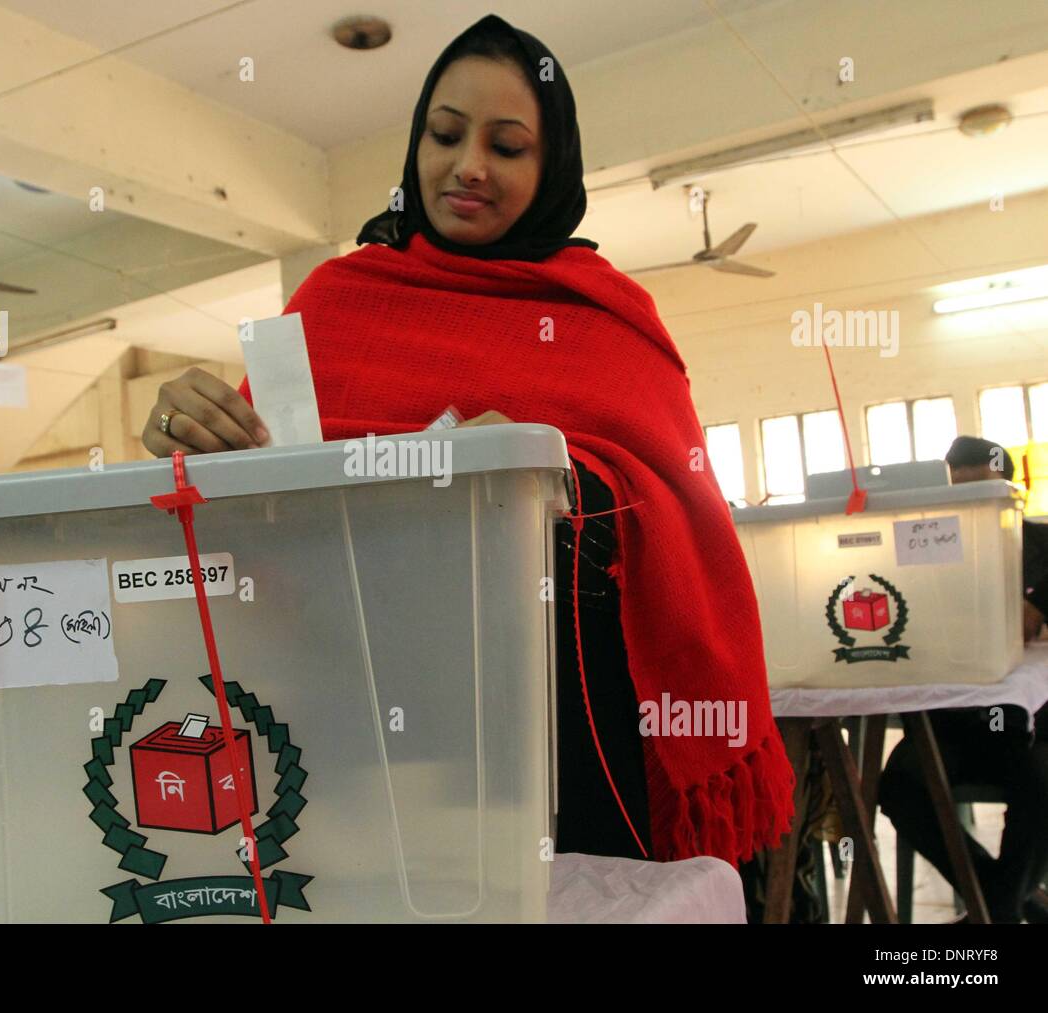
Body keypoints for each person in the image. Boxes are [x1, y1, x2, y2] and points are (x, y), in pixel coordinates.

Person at [142, 14, 794, 868]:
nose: (468, 166)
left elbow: (675, 507)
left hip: (568, 748)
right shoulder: (337, 301)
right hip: (351, 731)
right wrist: (189, 435)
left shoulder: (605, 316)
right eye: (444, 135)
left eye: (509, 146)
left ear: (553, 163)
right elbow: (259, 503)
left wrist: (535, 470)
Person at [878, 435, 1048, 922]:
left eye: (982, 496)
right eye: (958, 496)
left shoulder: (1042, 547)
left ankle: (990, 911)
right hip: (954, 727)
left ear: (1013, 491)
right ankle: (1005, 903)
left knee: (1043, 788)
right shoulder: (924, 553)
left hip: (1034, 729)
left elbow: (1024, 621)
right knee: (901, 786)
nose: (969, 510)